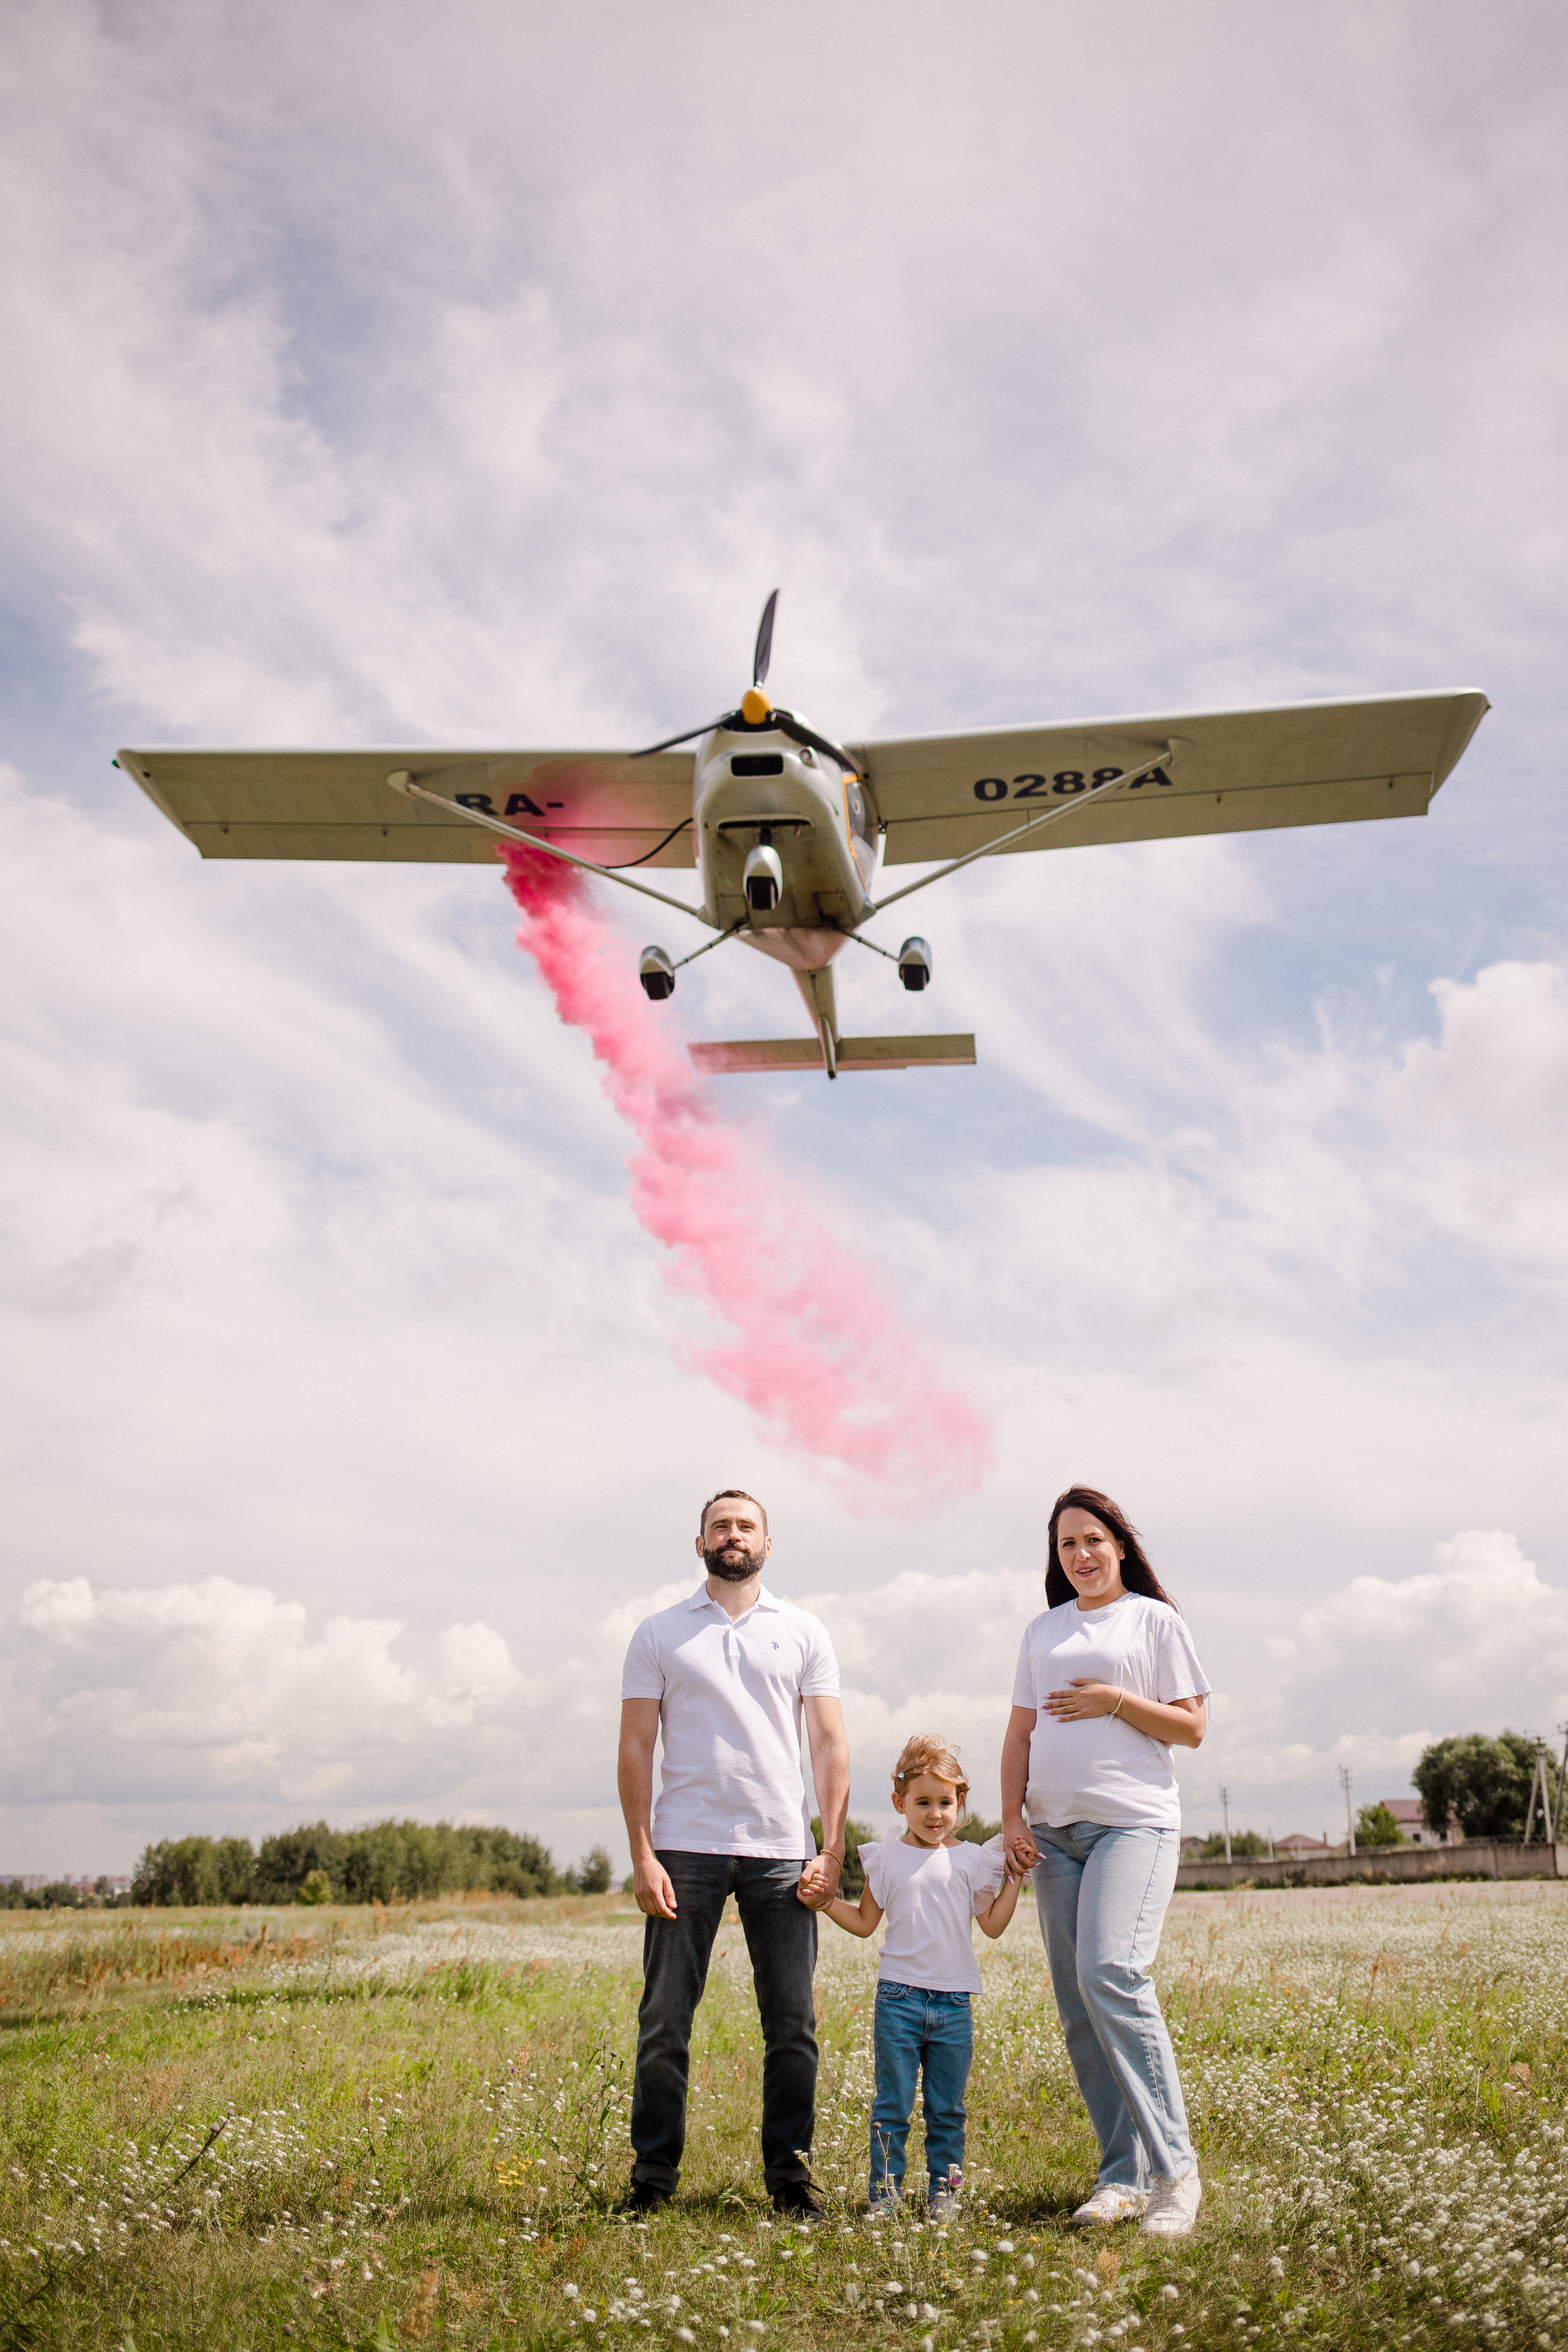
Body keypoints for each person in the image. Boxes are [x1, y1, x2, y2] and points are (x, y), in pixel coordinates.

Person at [618, 1488, 849, 2217]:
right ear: (700, 1544)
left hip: (780, 1850)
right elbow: (635, 1745)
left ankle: (790, 2182)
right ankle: (652, 2179)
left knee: (792, 2025)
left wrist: (832, 1848)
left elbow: (829, 1743)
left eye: (746, 1526)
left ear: (767, 1545)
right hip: (682, 1847)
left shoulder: (804, 1631)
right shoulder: (659, 1633)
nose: (732, 1535)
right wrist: (641, 1853)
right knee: (664, 2021)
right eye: (720, 1526)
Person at [1001, 1485, 1210, 2239]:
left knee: (1111, 1975)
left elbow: (1192, 1728)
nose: (1081, 1554)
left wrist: (1114, 1700)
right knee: (1078, 2007)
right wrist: (1011, 1817)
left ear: (1119, 1545)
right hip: (1052, 1837)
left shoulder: (1153, 1621)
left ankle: (1175, 2175)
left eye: (1093, 1539)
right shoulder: (1042, 1631)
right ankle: (1121, 2178)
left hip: (1132, 1825)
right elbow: (1019, 1734)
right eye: (1067, 1544)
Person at [815, 1733, 1023, 2218]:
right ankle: (885, 2196)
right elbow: (865, 1923)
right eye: (923, 1802)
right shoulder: (886, 1858)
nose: (935, 1814)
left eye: (945, 1803)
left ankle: (944, 2193)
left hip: (954, 2004)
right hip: (898, 2000)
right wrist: (826, 1903)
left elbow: (992, 1925)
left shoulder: (973, 1860)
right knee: (891, 2106)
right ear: (900, 1803)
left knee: (947, 2109)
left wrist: (1015, 1879)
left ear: (960, 1803)